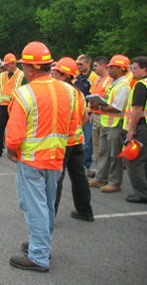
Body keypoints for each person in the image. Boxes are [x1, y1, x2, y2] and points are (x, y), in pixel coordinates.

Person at [6, 42, 78, 272]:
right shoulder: (70, 91)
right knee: (47, 206)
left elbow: (14, 135)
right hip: (56, 159)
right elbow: (75, 125)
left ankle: (38, 256)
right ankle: (41, 244)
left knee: (35, 208)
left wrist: (10, 150)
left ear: (30, 69)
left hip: (32, 160)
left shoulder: (24, 93)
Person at [52, 57, 94, 222]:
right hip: (77, 140)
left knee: (55, 179)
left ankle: (50, 215)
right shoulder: (77, 91)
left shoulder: (59, 91)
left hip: (63, 142)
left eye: (56, 72)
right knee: (79, 177)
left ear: (64, 75)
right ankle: (85, 210)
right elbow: (85, 117)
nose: (52, 74)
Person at [88, 55, 131, 193]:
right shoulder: (114, 83)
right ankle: (101, 178)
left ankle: (114, 182)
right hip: (107, 122)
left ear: (120, 69)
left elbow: (117, 107)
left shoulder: (122, 86)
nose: (109, 69)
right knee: (103, 152)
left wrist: (99, 107)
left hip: (115, 124)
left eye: (112, 67)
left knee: (114, 154)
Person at [0, 53, 25, 158]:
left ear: (14, 63)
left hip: (16, 107)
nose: (6, 66)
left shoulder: (21, 75)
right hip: (3, 106)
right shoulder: (1, 76)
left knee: (15, 129)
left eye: (8, 64)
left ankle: (17, 150)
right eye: (5, 64)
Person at [122, 56, 147, 203]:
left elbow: (137, 109)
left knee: (134, 160)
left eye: (135, 68)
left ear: (145, 69)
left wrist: (131, 130)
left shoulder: (141, 85)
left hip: (141, 127)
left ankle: (142, 193)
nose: (132, 71)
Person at [88, 56, 112, 178]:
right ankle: (98, 170)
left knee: (103, 148)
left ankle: (103, 173)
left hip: (104, 115)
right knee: (96, 145)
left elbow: (107, 98)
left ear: (103, 66)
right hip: (96, 114)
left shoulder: (109, 80)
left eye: (96, 66)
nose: (94, 68)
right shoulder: (98, 79)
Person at [75, 54, 98, 171]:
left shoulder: (93, 77)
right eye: (77, 64)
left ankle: (86, 164)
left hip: (88, 112)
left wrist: (88, 111)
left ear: (88, 64)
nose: (78, 66)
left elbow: (93, 95)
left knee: (88, 140)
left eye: (81, 64)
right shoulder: (78, 77)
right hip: (77, 112)